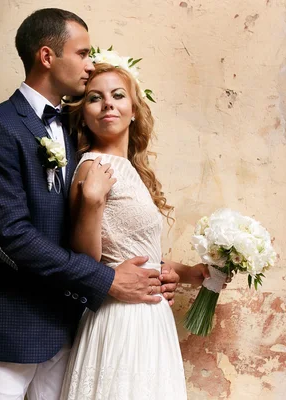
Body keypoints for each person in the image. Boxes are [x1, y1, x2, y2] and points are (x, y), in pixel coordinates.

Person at [0, 9, 181, 400]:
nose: (90, 63)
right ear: (47, 57)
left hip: (72, 326)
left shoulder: (77, 125)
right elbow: (11, 234)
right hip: (11, 325)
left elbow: (108, 224)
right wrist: (108, 281)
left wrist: (155, 271)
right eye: (82, 53)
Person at [60, 62, 213, 399]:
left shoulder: (131, 170)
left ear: (133, 111)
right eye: (94, 98)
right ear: (83, 115)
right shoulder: (92, 167)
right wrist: (91, 202)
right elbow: (85, 260)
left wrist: (194, 274)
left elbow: (141, 255)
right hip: (120, 316)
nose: (108, 104)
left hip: (150, 316)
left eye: (118, 95)